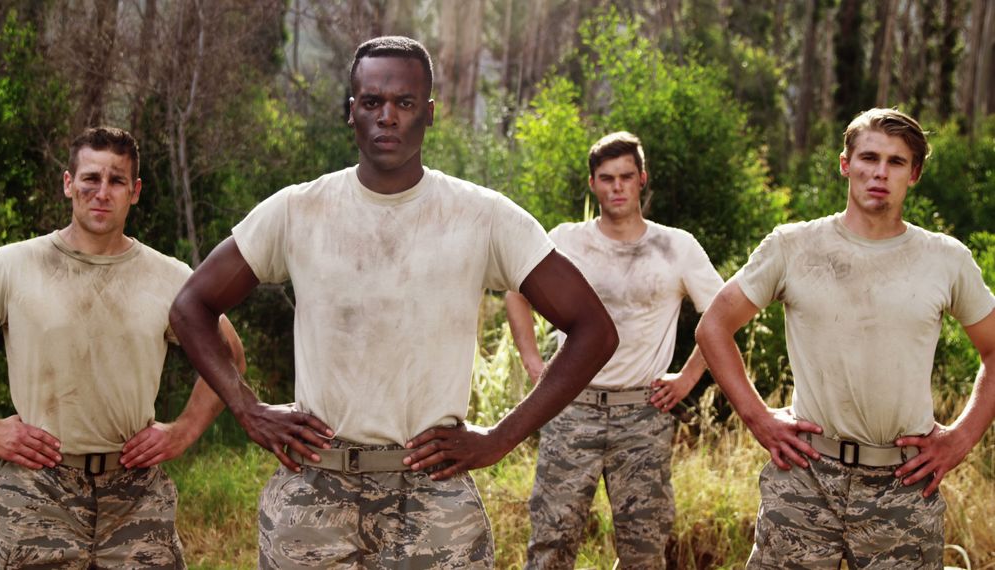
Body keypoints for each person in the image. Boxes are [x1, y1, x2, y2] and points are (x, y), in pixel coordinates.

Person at [168, 36, 618, 568]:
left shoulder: (483, 216)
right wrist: (247, 408)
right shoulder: (297, 210)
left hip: (432, 495)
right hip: (316, 489)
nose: (387, 117)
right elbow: (190, 306)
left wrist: (500, 438)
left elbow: (594, 329)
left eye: (404, 103)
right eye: (371, 102)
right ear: (349, 111)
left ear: (429, 114)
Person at [0, 126, 245, 568]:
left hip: (134, 495)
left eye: (117, 181)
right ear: (68, 183)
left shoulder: (167, 277)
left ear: (136, 191)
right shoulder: (13, 266)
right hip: (36, 489)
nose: (102, 192)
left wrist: (184, 430)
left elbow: (230, 354)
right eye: (90, 178)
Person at [695, 108, 995, 569]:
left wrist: (961, 438)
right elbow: (713, 326)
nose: (880, 172)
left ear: (913, 174)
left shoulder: (945, 259)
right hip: (805, 477)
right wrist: (758, 418)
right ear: (845, 164)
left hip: (903, 483)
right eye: (869, 157)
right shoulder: (793, 246)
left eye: (896, 162)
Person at [506, 131, 724, 569]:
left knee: (644, 549)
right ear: (593, 184)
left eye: (626, 176)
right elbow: (516, 291)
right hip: (571, 408)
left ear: (642, 179)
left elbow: (722, 316)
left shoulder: (675, 246)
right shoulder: (566, 240)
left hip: (642, 412)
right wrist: (533, 361)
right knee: (551, 541)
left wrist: (687, 378)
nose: (617, 187)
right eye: (607, 178)